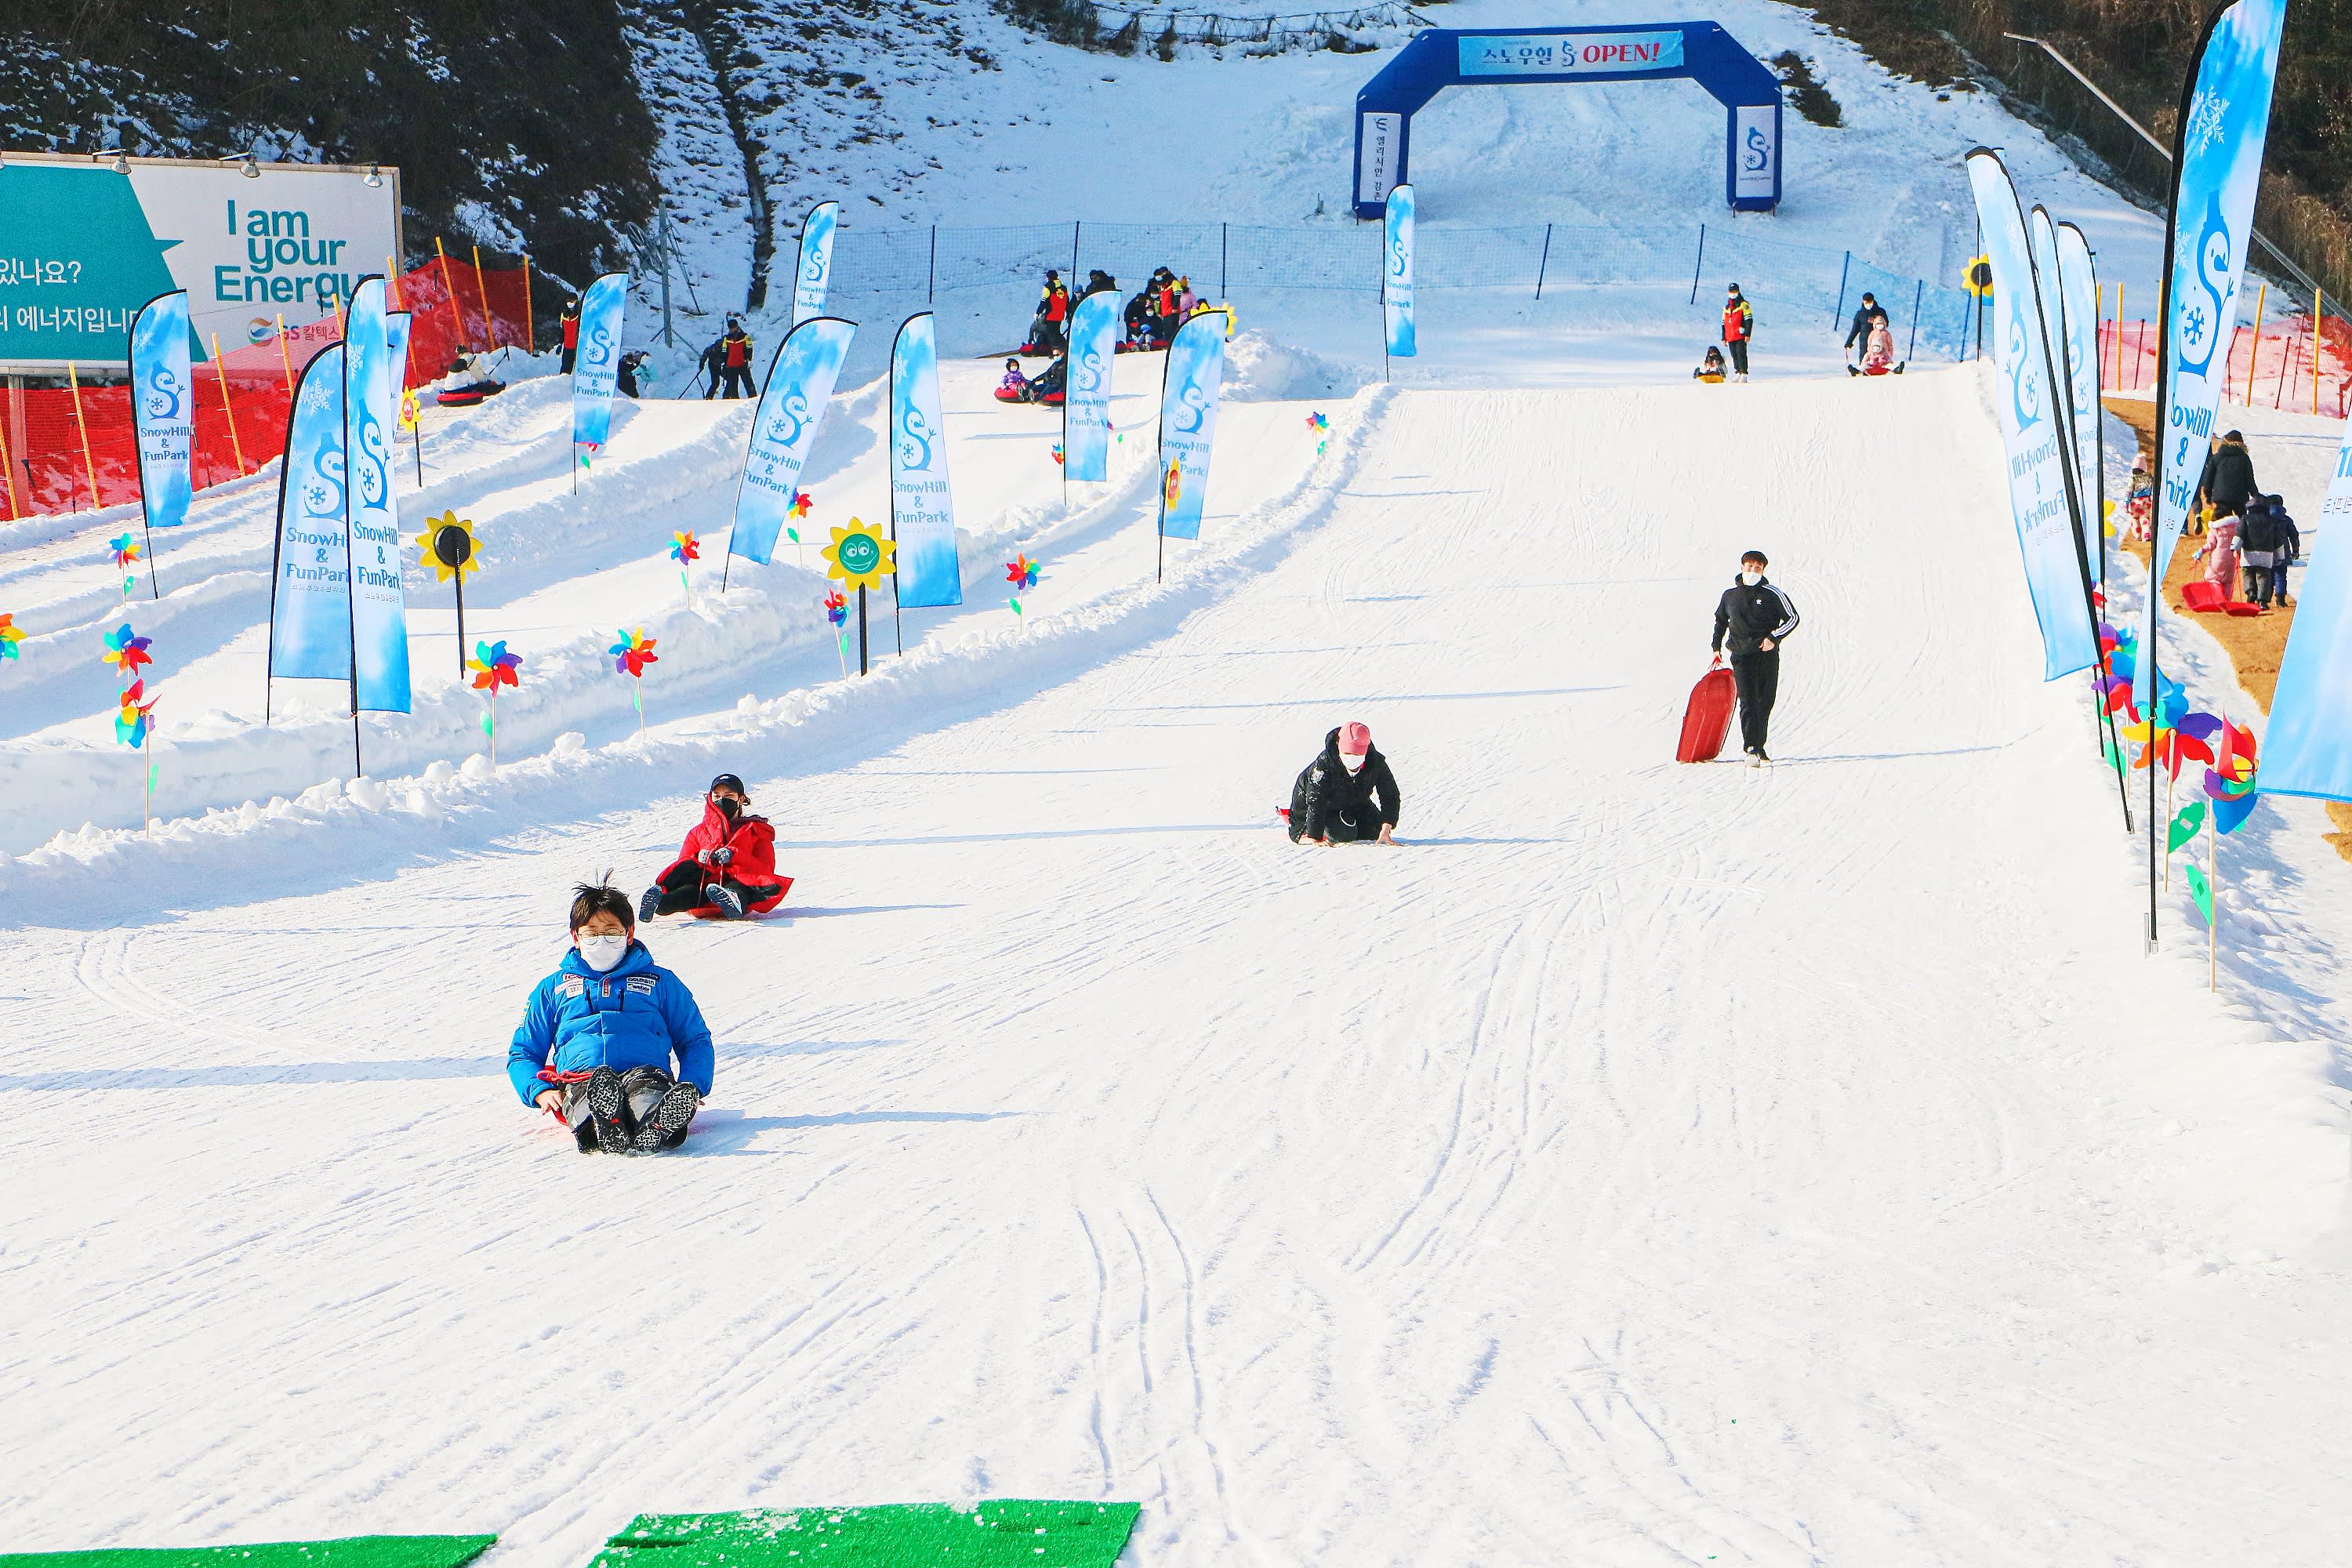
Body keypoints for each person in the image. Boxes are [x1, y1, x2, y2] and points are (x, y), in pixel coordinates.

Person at [508, 880, 713, 1154]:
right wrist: (539, 1090)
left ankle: (658, 1123)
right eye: (591, 933)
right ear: (576, 937)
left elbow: (694, 1039)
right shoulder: (552, 988)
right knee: (588, 1097)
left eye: (611, 932)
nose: (601, 941)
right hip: (582, 1077)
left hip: (646, 1071)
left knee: (647, 1096)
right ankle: (601, 1125)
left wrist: (693, 1082)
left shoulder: (661, 982)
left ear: (629, 934)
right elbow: (523, 1051)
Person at [641, 773, 792, 922]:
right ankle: (659, 902)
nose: (722, 800)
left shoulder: (756, 831)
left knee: (737, 887)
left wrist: (734, 856)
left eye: (728, 795)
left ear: (741, 799)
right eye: (717, 796)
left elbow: (765, 869)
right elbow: (683, 863)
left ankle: (732, 901)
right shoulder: (698, 832)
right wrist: (699, 858)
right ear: (710, 798)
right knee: (687, 890)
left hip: (738, 884)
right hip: (703, 889)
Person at [1711, 549, 1799, 764]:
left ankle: (1760, 746)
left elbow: (1792, 618)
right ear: (1742, 568)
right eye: (1749, 566)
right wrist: (1716, 647)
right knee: (1748, 701)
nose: (1753, 570)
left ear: (1763, 571)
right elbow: (1721, 621)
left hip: (1767, 655)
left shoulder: (1772, 593)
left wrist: (1773, 638)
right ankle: (1751, 747)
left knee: (1765, 701)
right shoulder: (1729, 596)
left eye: (1757, 568)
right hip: (1741, 656)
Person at [1287, 722, 1399, 844]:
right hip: (1316, 811)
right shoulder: (1324, 764)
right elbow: (1316, 801)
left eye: (1357, 755)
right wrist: (1314, 837)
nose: (1351, 759)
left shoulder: (1375, 762)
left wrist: (1386, 826)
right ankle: (1315, 831)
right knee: (1343, 834)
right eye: (1347, 754)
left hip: (1353, 804)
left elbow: (1390, 795)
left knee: (1374, 832)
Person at [2196, 430, 2259, 525]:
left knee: (2220, 525)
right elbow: (2250, 480)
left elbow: (2208, 479)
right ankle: (2239, 538)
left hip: (2221, 498)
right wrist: (2256, 496)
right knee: (2242, 524)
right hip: (2240, 497)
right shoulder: (2244, 459)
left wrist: (2208, 496)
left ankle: (2221, 540)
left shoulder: (2217, 458)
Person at [2195, 509, 2242, 601]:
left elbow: (2210, 544)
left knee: (2213, 578)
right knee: (2228, 582)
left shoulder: (2215, 529)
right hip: (2232, 559)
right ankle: (2226, 601)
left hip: (2217, 558)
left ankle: (2216, 599)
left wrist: (2201, 551)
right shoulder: (2236, 528)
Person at [1721, 284, 1755, 381]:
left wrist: (1747, 334)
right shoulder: (1726, 307)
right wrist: (1724, 337)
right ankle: (1738, 372)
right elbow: (1724, 323)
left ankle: (1744, 372)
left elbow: (1749, 320)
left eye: (1735, 291)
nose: (1733, 294)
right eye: (1731, 292)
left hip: (1740, 334)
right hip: (1730, 335)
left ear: (1738, 292)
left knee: (1741, 353)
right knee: (1734, 354)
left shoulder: (1744, 304)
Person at [716, 318, 756, 400]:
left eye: (733, 327)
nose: (732, 329)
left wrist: (749, 359)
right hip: (731, 366)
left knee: (749, 384)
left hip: (743, 364)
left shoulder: (745, 336)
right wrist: (724, 363)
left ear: (737, 326)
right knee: (732, 387)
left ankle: (754, 400)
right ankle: (734, 403)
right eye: (730, 328)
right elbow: (724, 351)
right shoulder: (726, 339)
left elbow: (749, 348)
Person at [1842, 292, 1888, 356]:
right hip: (1864, 341)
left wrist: (1876, 321)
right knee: (1864, 358)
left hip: (1878, 340)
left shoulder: (1881, 311)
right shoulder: (1860, 314)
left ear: (1873, 301)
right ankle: (1862, 365)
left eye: (1870, 303)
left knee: (1879, 357)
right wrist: (1849, 342)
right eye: (1866, 303)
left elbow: (1886, 324)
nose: (1868, 305)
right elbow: (1855, 329)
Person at [558, 298, 582, 374]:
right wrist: (560, 344)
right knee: (565, 370)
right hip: (567, 346)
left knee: (578, 369)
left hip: (578, 347)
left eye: (572, 301)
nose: (570, 303)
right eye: (568, 301)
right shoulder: (564, 315)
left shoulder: (580, 314)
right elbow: (562, 331)